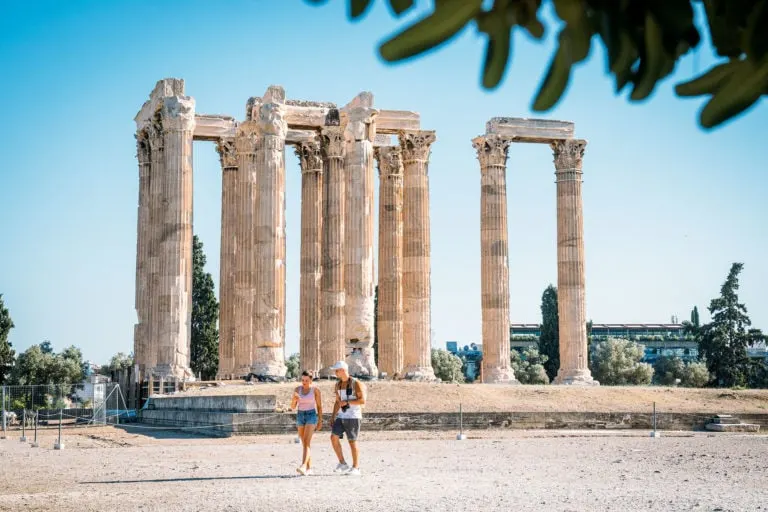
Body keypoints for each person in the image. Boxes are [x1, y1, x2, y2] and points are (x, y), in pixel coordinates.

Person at [329, 360, 365, 476]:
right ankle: (343, 463)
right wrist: (333, 416)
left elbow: (362, 400)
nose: (335, 373)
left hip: (353, 416)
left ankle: (356, 467)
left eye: (336, 370)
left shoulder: (356, 383)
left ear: (343, 370)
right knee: (333, 437)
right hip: (341, 415)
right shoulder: (338, 384)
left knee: (352, 441)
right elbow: (337, 401)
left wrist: (348, 402)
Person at [290, 370, 322, 476]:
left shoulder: (315, 390)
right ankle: (309, 468)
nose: (304, 382)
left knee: (307, 441)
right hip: (300, 415)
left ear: (311, 380)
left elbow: (319, 406)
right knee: (304, 443)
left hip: (311, 415)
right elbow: (292, 407)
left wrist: (320, 421)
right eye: (302, 380)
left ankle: (303, 466)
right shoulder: (297, 390)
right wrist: (294, 399)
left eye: (306, 380)